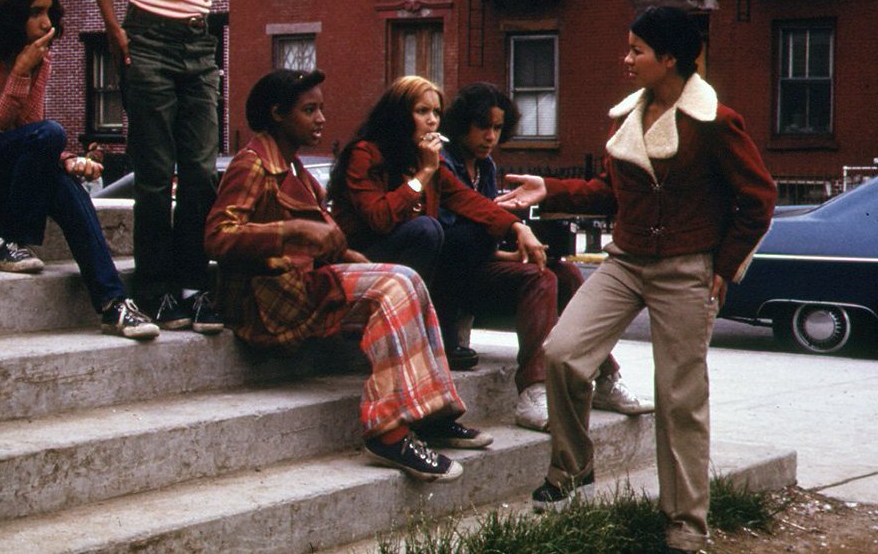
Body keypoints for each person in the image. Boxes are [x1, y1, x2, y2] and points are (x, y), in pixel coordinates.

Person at [495, 7, 776, 553]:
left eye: (636, 50)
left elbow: (758, 199)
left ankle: (686, 525)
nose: (626, 60)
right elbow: (611, 192)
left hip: (685, 269)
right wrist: (549, 190)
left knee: (678, 398)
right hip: (625, 261)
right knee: (563, 354)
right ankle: (572, 468)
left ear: (668, 58)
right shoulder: (631, 116)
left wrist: (724, 266)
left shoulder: (715, 121)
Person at [205, 69, 494, 482]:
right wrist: (295, 233)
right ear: (277, 114)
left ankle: (432, 413)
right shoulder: (252, 164)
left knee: (407, 279)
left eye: (321, 108)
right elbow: (217, 236)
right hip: (267, 298)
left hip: (300, 284)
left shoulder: (295, 168)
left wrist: (346, 252)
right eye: (309, 110)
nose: (321, 118)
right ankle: (388, 433)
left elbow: (322, 237)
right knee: (394, 284)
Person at [85, 0, 275, 334]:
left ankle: (192, 286)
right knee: (154, 172)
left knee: (199, 170)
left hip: (197, 44)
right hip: (147, 39)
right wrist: (113, 29)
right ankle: (155, 289)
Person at [0, 0, 159, 341]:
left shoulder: (39, 55)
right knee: (50, 136)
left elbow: (29, 131)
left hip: (4, 162)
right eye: (35, 12)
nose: (45, 21)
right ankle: (12, 240)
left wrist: (67, 160)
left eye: (49, 11)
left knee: (62, 182)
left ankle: (113, 304)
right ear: (10, 14)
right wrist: (20, 72)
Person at [436, 82, 653, 432]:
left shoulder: (486, 167)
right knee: (540, 278)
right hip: (452, 282)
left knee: (563, 273)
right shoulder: (443, 164)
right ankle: (532, 391)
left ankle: (606, 377)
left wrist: (514, 255)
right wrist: (514, 237)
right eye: (483, 126)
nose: (491, 136)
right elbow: (457, 238)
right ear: (462, 123)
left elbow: (487, 240)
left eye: (497, 127)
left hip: (482, 267)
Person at [325, 75, 551, 396]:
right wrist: (424, 174)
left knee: (458, 231)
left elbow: (470, 201)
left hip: (405, 267)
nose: (432, 120)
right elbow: (378, 217)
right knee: (428, 230)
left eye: (436, 112)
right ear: (399, 114)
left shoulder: (423, 157)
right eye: (421, 111)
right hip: (362, 261)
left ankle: (429, 336)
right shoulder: (367, 153)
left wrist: (517, 227)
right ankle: (405, 334)